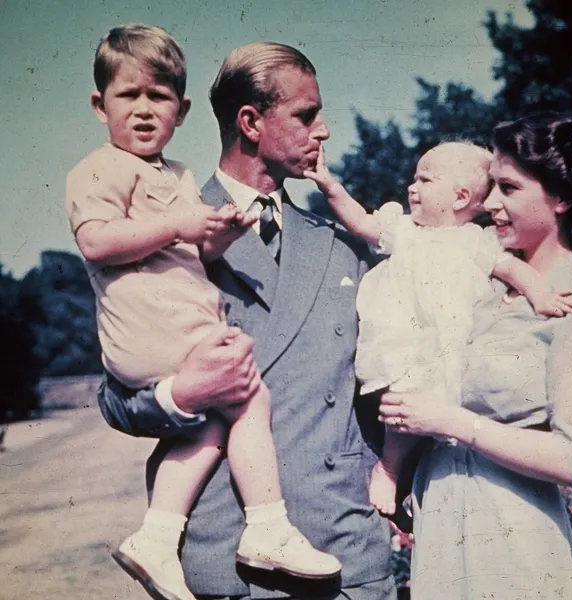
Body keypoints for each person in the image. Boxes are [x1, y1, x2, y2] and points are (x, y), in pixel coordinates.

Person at [98, 41, 396, 600]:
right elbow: (116, 397)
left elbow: (389, 381)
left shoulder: (342, 245)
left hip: (342, 553)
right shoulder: (162, 232)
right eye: (306, 115)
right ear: (251, 123)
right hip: (224, 559)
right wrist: (182, 395)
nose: (324, 130)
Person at [378, 113, 572, 599]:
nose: (491, 202)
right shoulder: (477, 283)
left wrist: (454, 422)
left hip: (514, 541)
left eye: (509, 189)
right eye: (491, 186)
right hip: (440, 527)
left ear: (561, 198)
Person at [305, 140, 572, 516]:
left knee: (437, 408)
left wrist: (541, 294)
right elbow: (362, 222)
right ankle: (390, 468)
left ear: (460, 197)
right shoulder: (405, 230)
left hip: (449, 342)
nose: (412, 187)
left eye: (425, 180)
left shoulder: (476, 242)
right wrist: (330, 186)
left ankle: (411, 478)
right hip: (404, 337)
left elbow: (514, 269)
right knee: (404, 402)